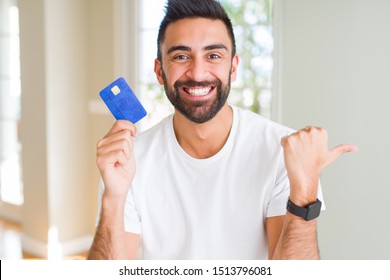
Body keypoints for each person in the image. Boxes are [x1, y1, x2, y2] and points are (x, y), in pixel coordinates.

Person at [88, 0, 357, 260]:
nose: (198, 72)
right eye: (181, 56)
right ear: (160, 71)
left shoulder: (282, 152)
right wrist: (114, 197)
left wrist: (304, 190)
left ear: (233, 67)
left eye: (213, 55)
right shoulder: (129, 160)